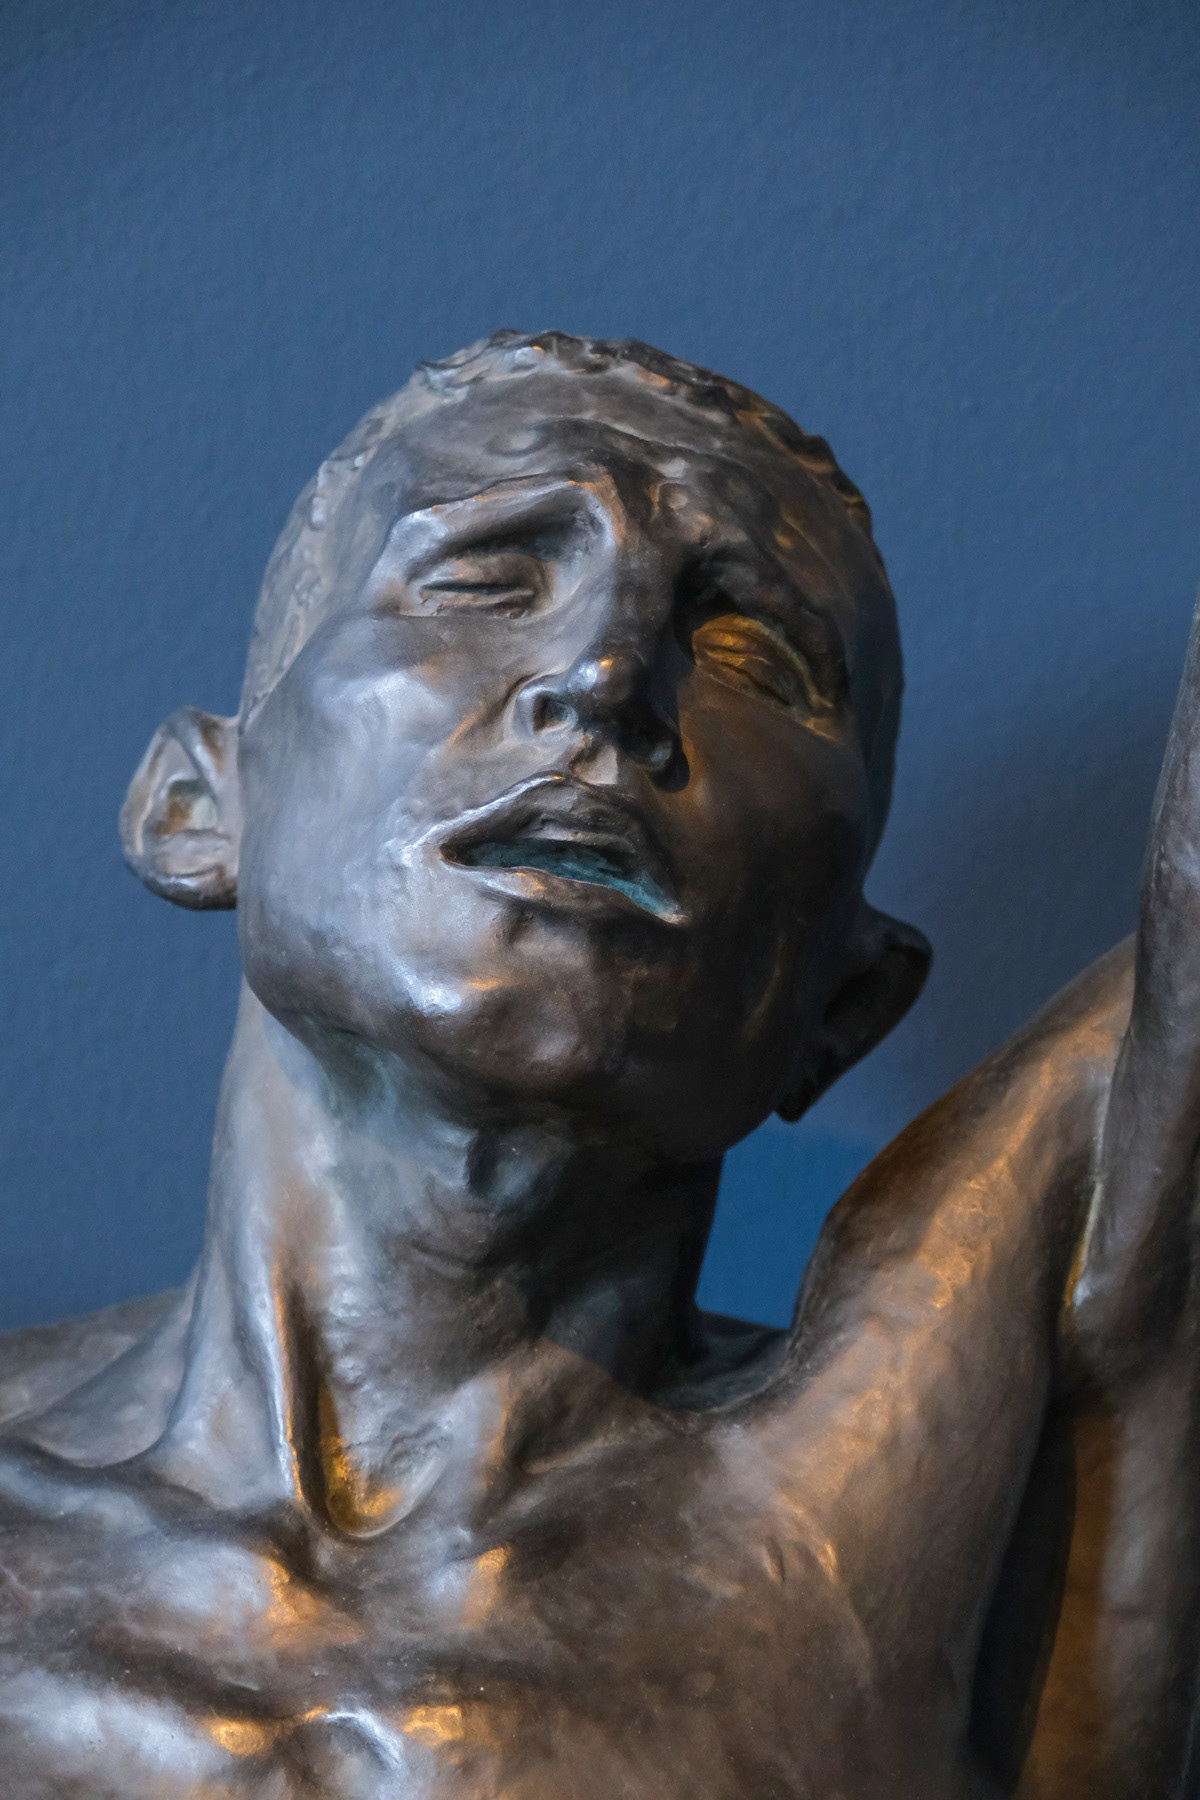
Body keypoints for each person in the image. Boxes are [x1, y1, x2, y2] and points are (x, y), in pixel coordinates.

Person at [0, 331, 1194, 1799]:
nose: (608, 675)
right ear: (198, 808)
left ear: (844, 1001)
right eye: (487, 579)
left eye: (753, 653)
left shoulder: (931, 1497)